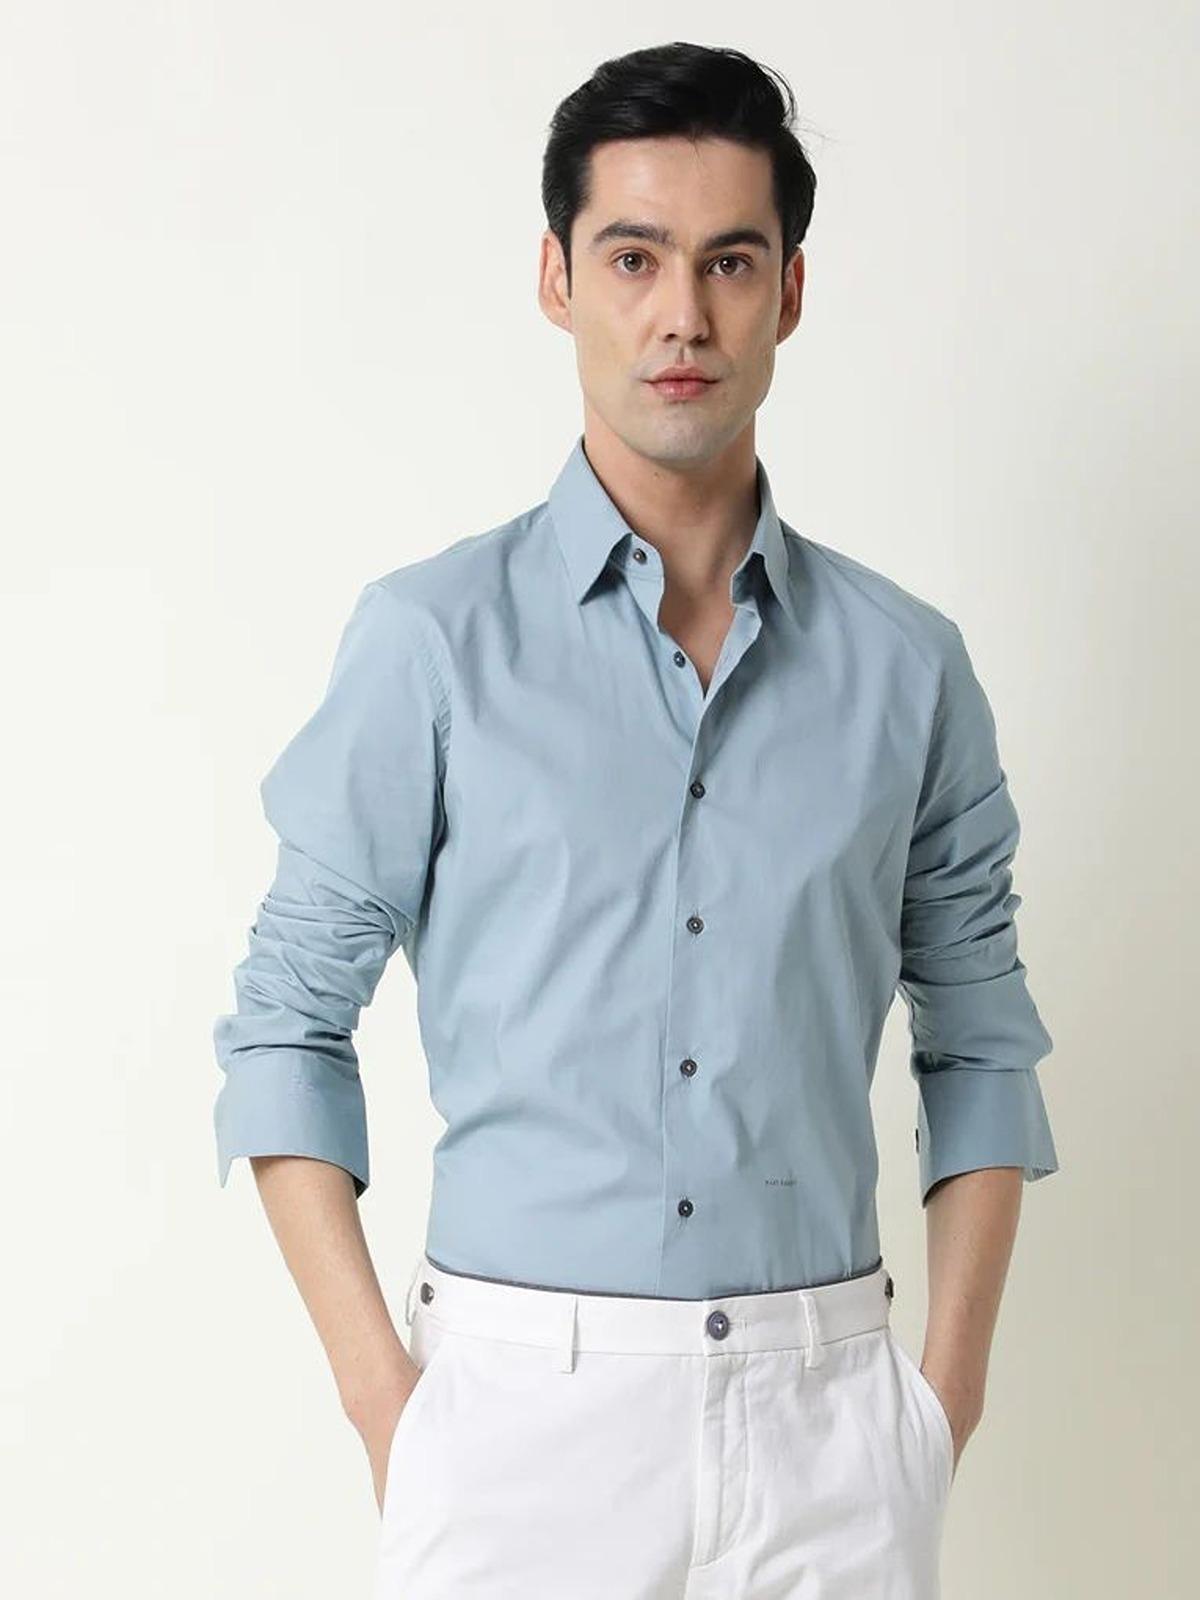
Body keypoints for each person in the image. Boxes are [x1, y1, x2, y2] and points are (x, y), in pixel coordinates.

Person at [212, 40, 1059, 1600]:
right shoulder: (431, 645)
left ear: (789, 292)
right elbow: (284, 1028)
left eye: (730, 262)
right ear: (557, 278)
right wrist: (391, 1410)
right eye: (634, 258)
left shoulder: (909, 670)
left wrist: (939, 1405)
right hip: (515, 1431)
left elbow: (983, 1042)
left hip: (831, 1430)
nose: (683, 316)